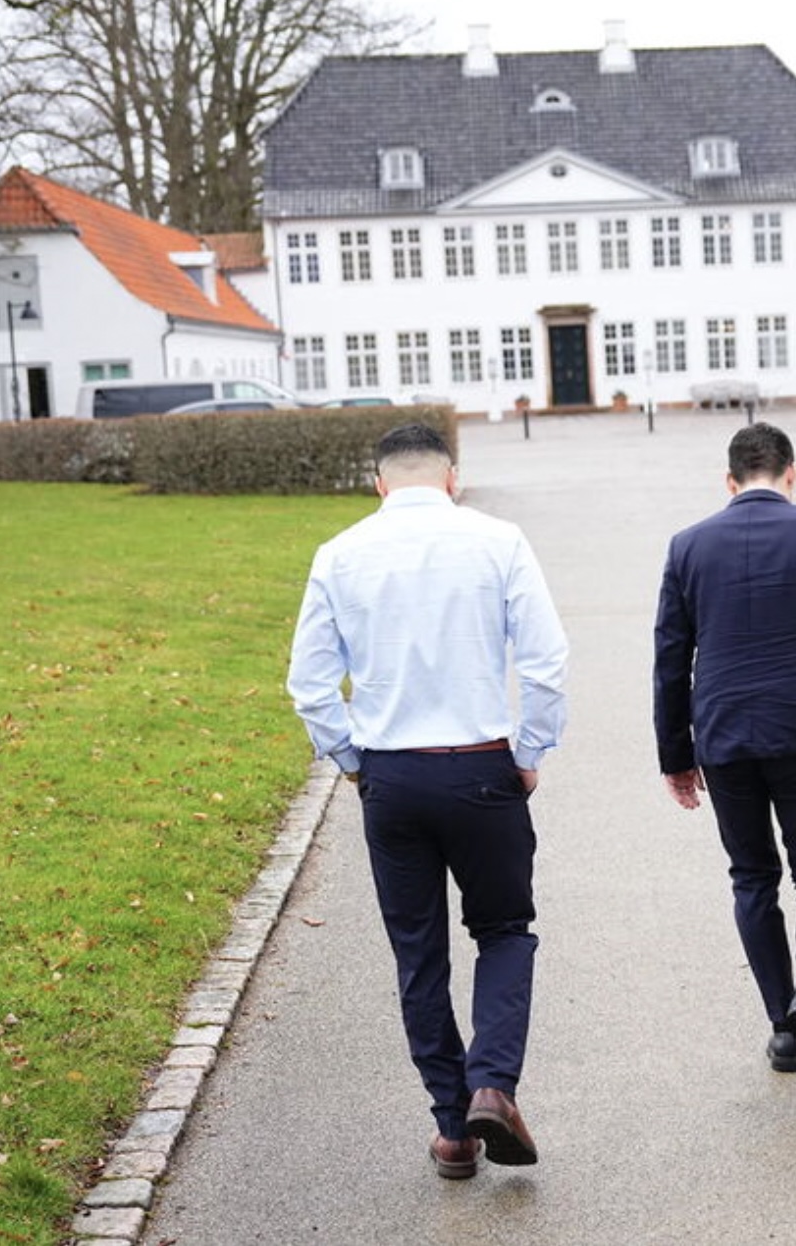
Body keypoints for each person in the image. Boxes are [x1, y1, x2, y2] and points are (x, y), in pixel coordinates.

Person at [287, 422, 568, 1178]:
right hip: (481, 768)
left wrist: (352, 762)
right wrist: (530, 752)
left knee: (419, 955)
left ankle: (453, 1128)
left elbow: (310, 684)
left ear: (378, 483)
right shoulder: (499, 541)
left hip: (393, 777)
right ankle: (492, 1085)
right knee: (504, 930)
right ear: (452, 478)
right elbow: (545, 661)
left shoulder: (339, 554)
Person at [653, 422, 796, 1093]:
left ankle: (784, 1026)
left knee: (752, 878)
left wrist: (675, 754)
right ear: (791, 474)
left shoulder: (688, 545)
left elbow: (670, 660)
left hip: (724, 733)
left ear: (729, 481)